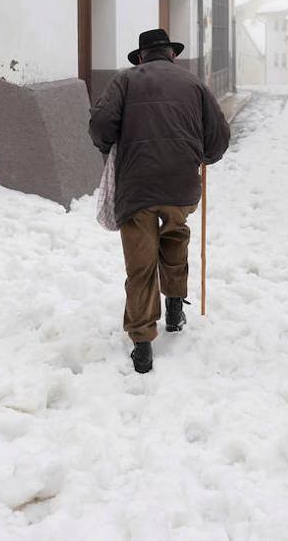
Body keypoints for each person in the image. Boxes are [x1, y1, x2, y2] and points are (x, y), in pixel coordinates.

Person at [88, 28, 232, 374]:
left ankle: (142, 345)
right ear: (172, 55)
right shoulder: (194, 85)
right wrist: (203, 156)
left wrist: (111, 146)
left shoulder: (125, 81)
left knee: (140, 263)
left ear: (140, 57)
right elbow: (219, 137)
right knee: (175, 238)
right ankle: (175, 308)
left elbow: (100, 125)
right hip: (181, 185)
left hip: (136, 187)